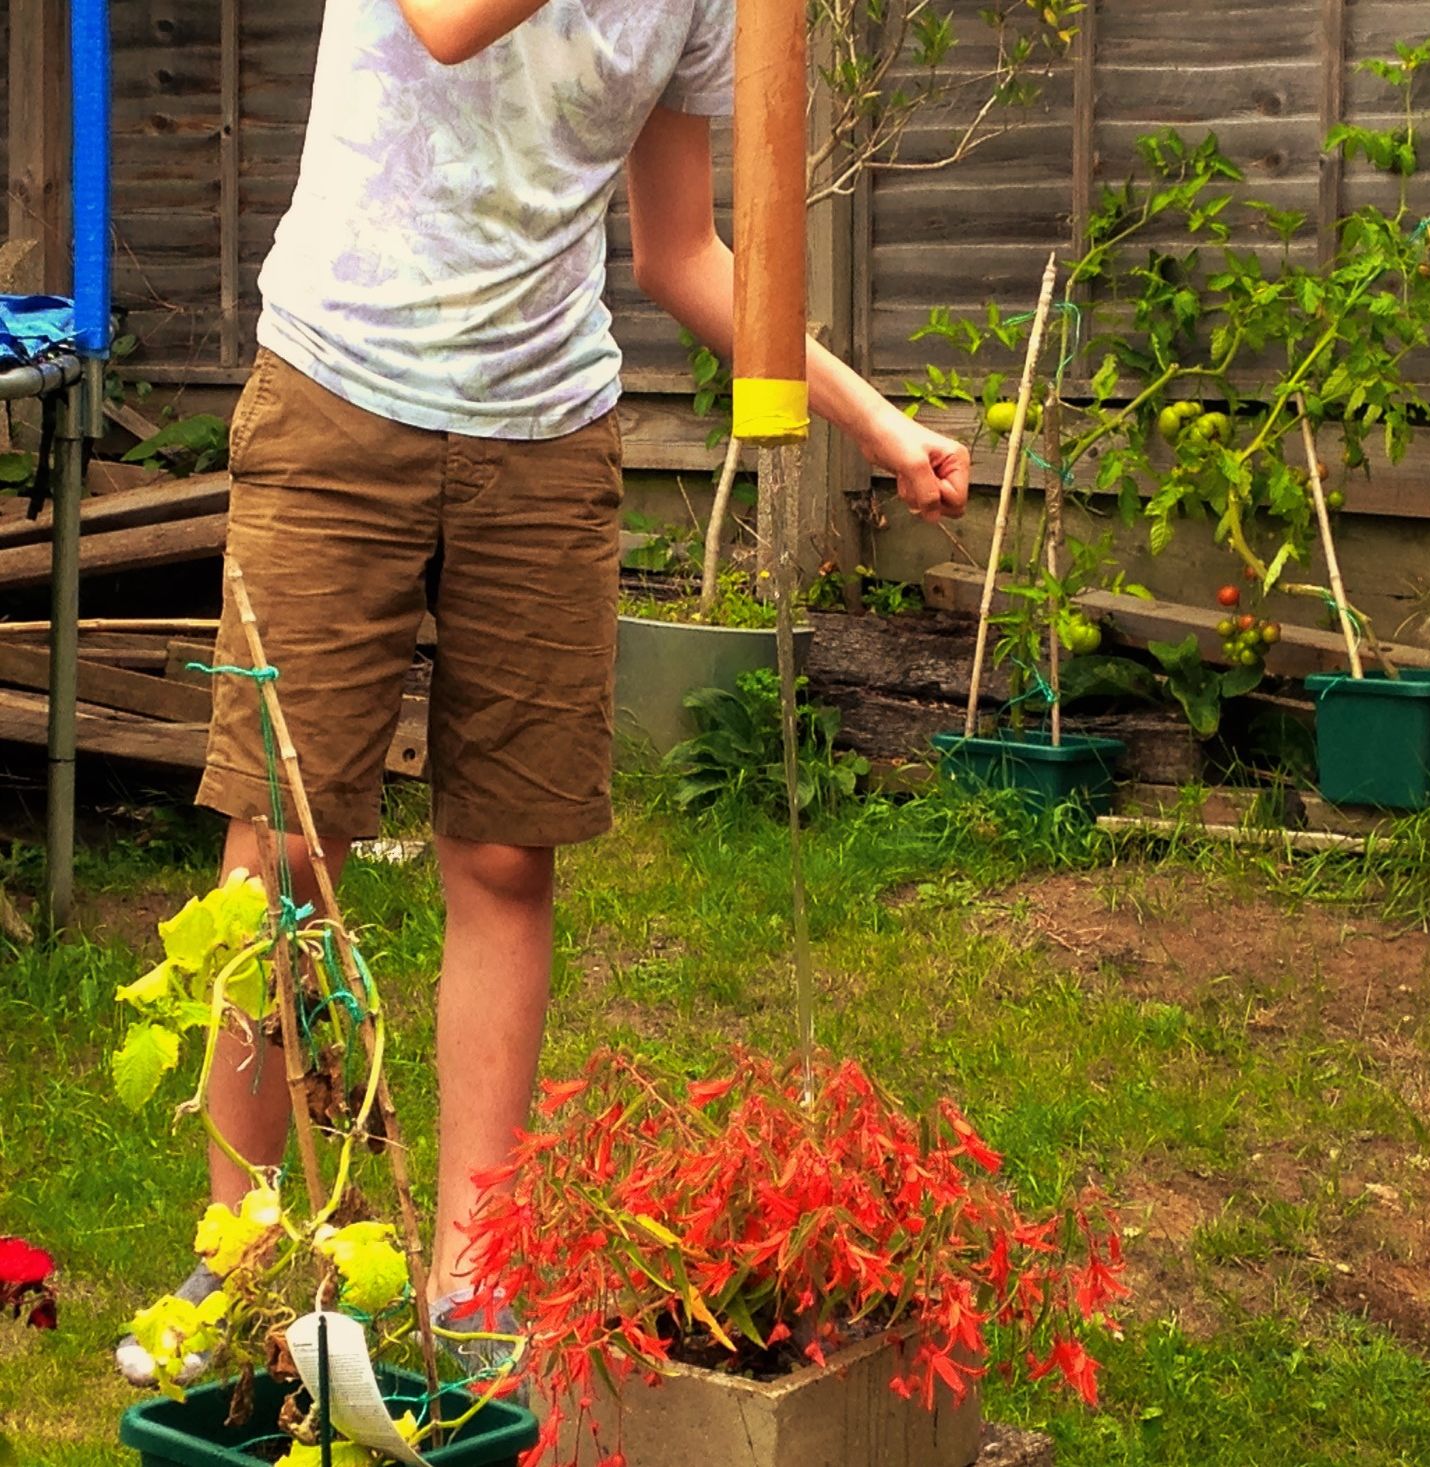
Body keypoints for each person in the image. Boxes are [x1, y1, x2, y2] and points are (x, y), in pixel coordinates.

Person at [118, 0, 969, 1384]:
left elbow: (681, 250)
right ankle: (238, 1255)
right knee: (279, 843)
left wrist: (873, 420)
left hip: (546, 438)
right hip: (338, 399)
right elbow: (450, 26)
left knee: (509, 852)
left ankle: (472, 1273)